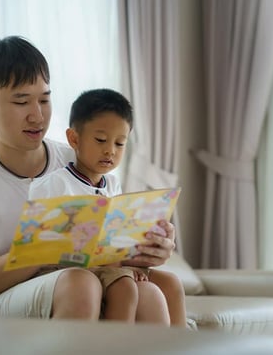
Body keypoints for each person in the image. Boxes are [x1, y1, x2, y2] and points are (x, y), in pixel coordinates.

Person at [0, 35, 177, 323]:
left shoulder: (81, 158)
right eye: (21, 101)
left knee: (159, 288)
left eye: (45, 99)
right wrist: (49, 247)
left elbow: (109, 247)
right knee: (79, 282)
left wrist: (147, 248)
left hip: (75, 282)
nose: (37, 116)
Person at [28, 88, 187, 327]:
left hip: (110, 265)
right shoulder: (57, 183)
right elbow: (44, 243)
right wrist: (119, 265)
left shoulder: (112, 184)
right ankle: (111, 346)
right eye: (101, 140)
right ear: (74, 139)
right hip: (66, 270)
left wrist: (144, 244)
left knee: (172, 283)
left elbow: (117, 238)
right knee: (125, 286)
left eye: (120, 143)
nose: (110, 150)